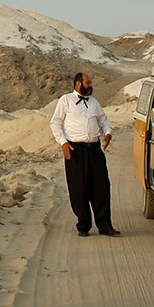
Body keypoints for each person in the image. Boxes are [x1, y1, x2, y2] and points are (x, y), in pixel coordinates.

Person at [49, 72, 118, 236]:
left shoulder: (94, 102)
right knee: (78, 188)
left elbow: (103, 121)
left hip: (94, 149)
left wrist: (107, 132)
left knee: (101, 187)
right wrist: (63, 143)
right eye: (88, 83)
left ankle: (105, 225)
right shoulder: (65, 101)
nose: (91, 85)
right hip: (75, 151)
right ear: (78, 83)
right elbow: (55, 123)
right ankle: (83, 225)